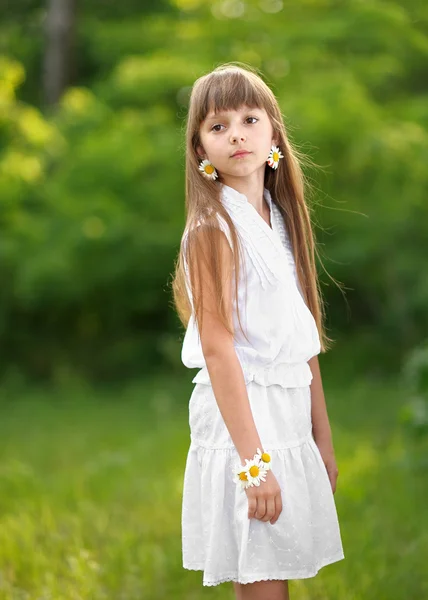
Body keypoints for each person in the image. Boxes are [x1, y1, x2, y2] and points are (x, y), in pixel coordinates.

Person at [172, 63, 345, 599]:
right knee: (263, 582)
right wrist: (252, 464)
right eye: (217, 126)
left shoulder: (280, 218)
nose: (237, 134)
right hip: (244, 421)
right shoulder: (212, 229)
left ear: (274, 134)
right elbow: (219, 351)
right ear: (201, 148)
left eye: (250, 118)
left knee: (280, 574)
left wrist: (323, 433)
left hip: (288, 412)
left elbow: (302, 335)